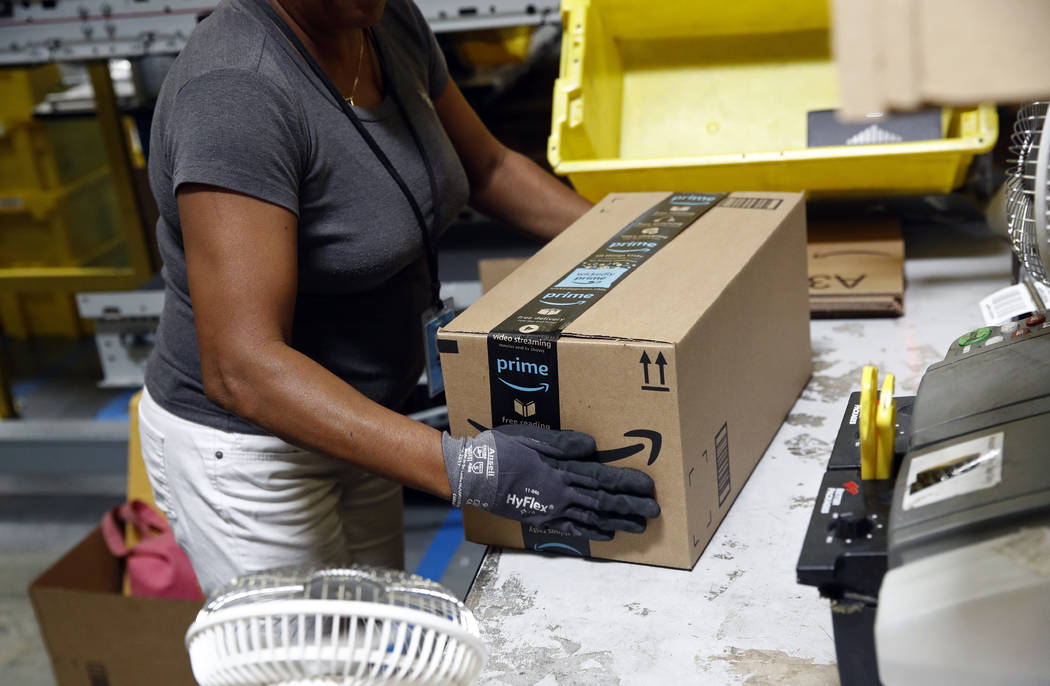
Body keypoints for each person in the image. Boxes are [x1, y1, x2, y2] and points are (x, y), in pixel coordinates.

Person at [138, 0, 660, 594]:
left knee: (371, 641)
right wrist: (471, 469)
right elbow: (241, 367)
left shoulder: (380, 21)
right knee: (310, 666)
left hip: (365, 421)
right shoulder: (236, 90)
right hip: (256, 457)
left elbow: (487, 167)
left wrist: (633, 245)